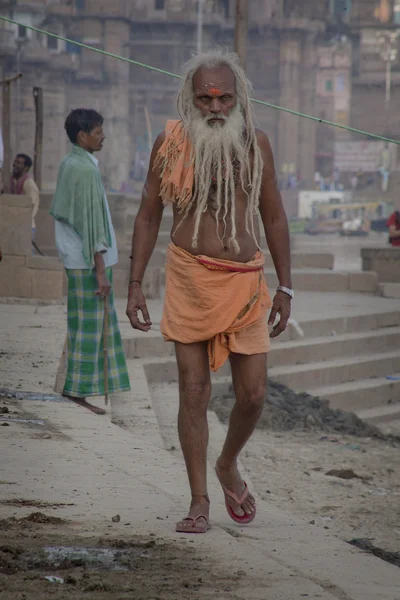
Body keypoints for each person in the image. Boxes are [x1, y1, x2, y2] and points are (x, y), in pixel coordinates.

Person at [126, 51, 292, 533]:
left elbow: (275, 216)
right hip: (190, 277)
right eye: (205, 98)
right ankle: (199, 499)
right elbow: (148, 214)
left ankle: (227, 464)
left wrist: (288, 287)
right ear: (190, 98)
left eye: (224, 97)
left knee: (254, 395)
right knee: (193, 391)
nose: (215, 107)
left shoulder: (256, 143)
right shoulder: (171, 142)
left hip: (244, 282)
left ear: (238, 97)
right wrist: (135, 285)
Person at [50, 108, 130, 415]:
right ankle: (77, 392)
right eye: (98, 132)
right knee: (88, 330)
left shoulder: (73, 162)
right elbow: (90, 225)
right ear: (83, 136)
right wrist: (101, 271)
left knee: (88, 327)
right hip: (87, 263)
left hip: (81, 260)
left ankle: (78, 389)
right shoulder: (83, 169)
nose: (103, 137)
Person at [10, 154, 40, 247]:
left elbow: (31, 208)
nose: (14, 164)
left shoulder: (29, 184)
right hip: (15, 226)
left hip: (26, 227)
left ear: (26, 168)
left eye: (18, 163)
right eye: (15, 162)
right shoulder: (13, 181)